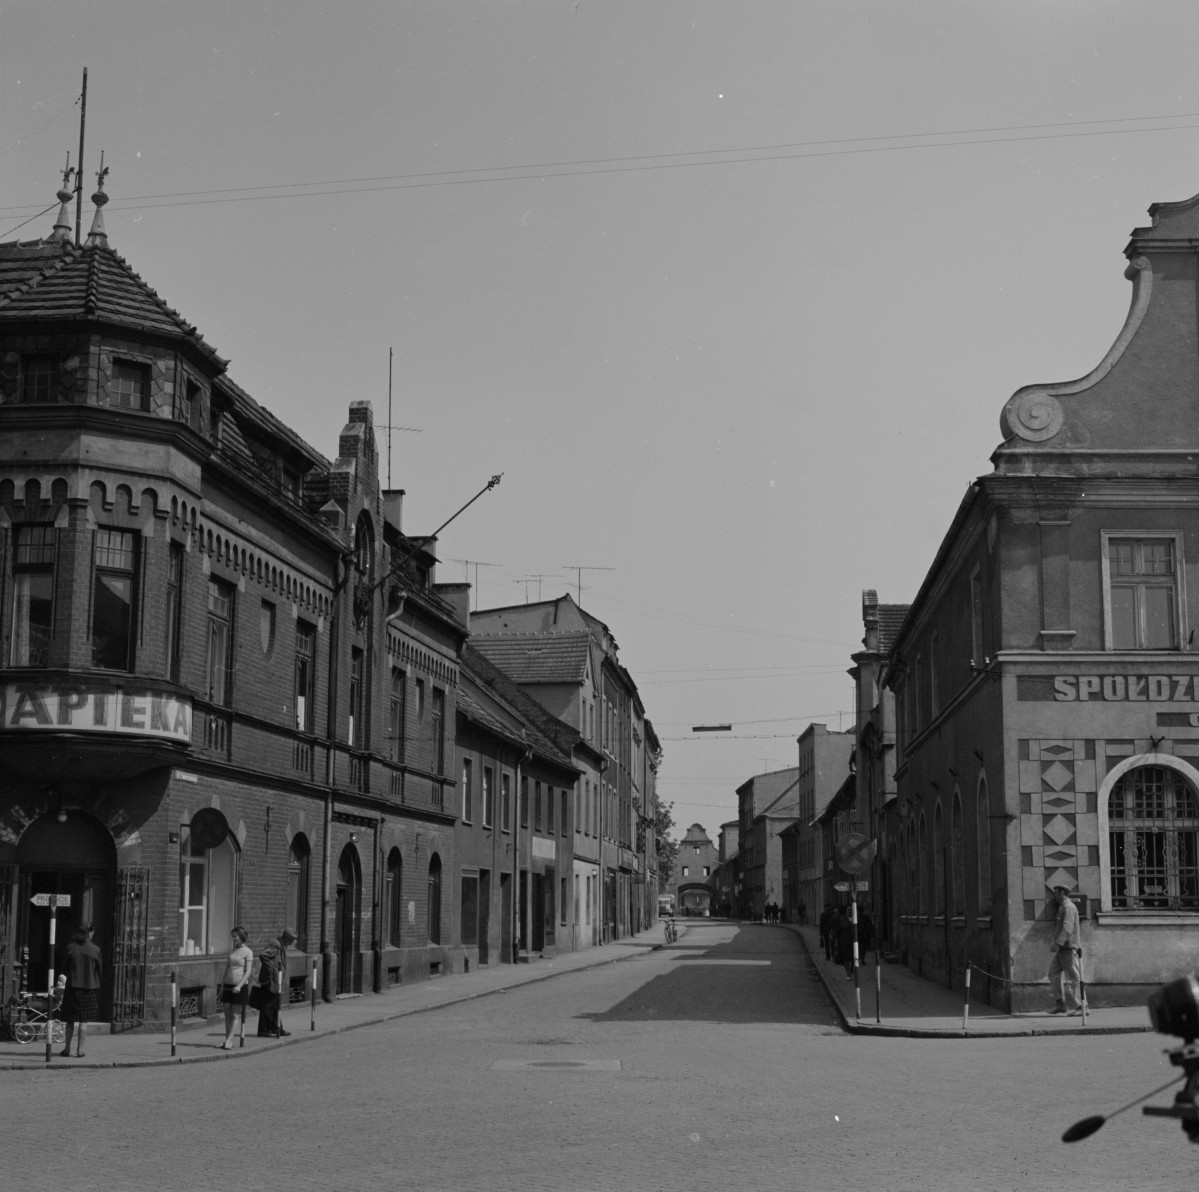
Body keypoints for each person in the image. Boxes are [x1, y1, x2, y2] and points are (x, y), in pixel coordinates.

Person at [59, 923, 101, 1059]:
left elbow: (64, 968)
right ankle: (80, 1050)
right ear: (90, 933)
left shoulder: (70, 948)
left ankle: (66, 1048)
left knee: (70, 1020)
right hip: (89, 988)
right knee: (84, 1021)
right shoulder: (95, 949)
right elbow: (99, 970)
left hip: (72, 988)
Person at [255, 927, 297, 1038]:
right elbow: (263, 955)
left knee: (274, 1005)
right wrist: (272, 970)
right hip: (270, 981)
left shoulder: (281, 945)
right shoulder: (276, 944)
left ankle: (276, 1028)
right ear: (287, 938)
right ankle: (265, 1030)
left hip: (275, 981)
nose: (292, 943)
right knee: (268, 1005)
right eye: (291, 940)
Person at [1047, 885, 1082, 1015]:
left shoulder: (1068, 907)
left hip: (1068, 948)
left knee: (1073, 977)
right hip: (1062, 949)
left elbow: (1067, 928)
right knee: (1053, 973)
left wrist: (1057, 944)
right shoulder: (1063, 907)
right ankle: (1060, 1003)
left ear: (1062, 893)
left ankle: (1082, 1006)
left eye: (1056, 894)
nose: (1054, 897)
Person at [219, 926, 254, 1050]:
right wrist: (222, 985)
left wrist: (239, 985)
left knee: (235, 1014)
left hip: (239, 986)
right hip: (228, 985)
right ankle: (227, 1039)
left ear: (241, 937)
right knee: (227, 1014)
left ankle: (229, 1040)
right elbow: (227, 968)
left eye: (235, 937)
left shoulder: (248, 952)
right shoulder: (231, 950)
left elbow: (248, 971)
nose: (233, 939)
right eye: (232, 936)